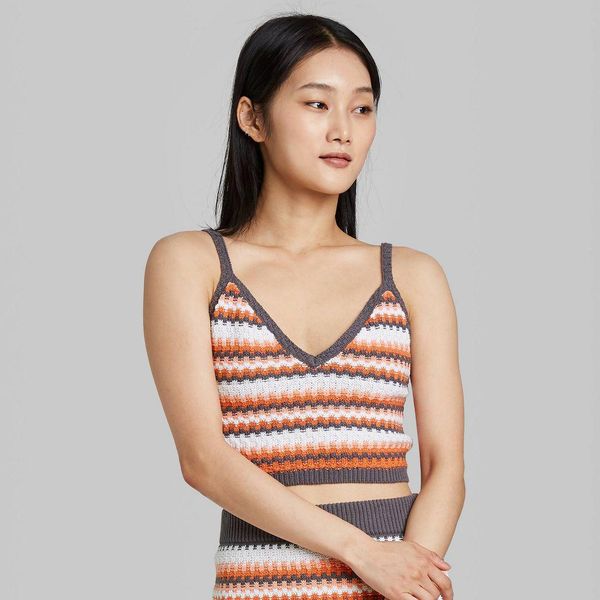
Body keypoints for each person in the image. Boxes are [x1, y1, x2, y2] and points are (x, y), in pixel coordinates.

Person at [143, 13, 464, 600]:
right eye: (317, 104)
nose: (343, 130)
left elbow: (446, 468)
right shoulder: (192, 264)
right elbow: (203, 459)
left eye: (362, 109)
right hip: (262, 585)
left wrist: (411, 577)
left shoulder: (412, 276)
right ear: (253, 118)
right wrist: (365, 554)